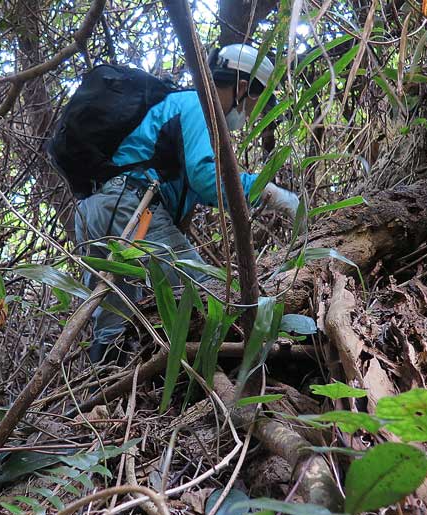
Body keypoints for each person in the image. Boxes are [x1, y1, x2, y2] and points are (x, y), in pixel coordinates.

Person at [75, 44, 299, 364]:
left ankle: (105, 394)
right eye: (254, 104)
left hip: (95, 209)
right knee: (202, 293)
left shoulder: (177, 107)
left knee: (112, 316)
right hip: (132, 207)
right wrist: (270, 192)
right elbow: (206, 179)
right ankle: (217, 374)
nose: (252, 115)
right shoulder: (197, 104)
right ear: (243, 88)